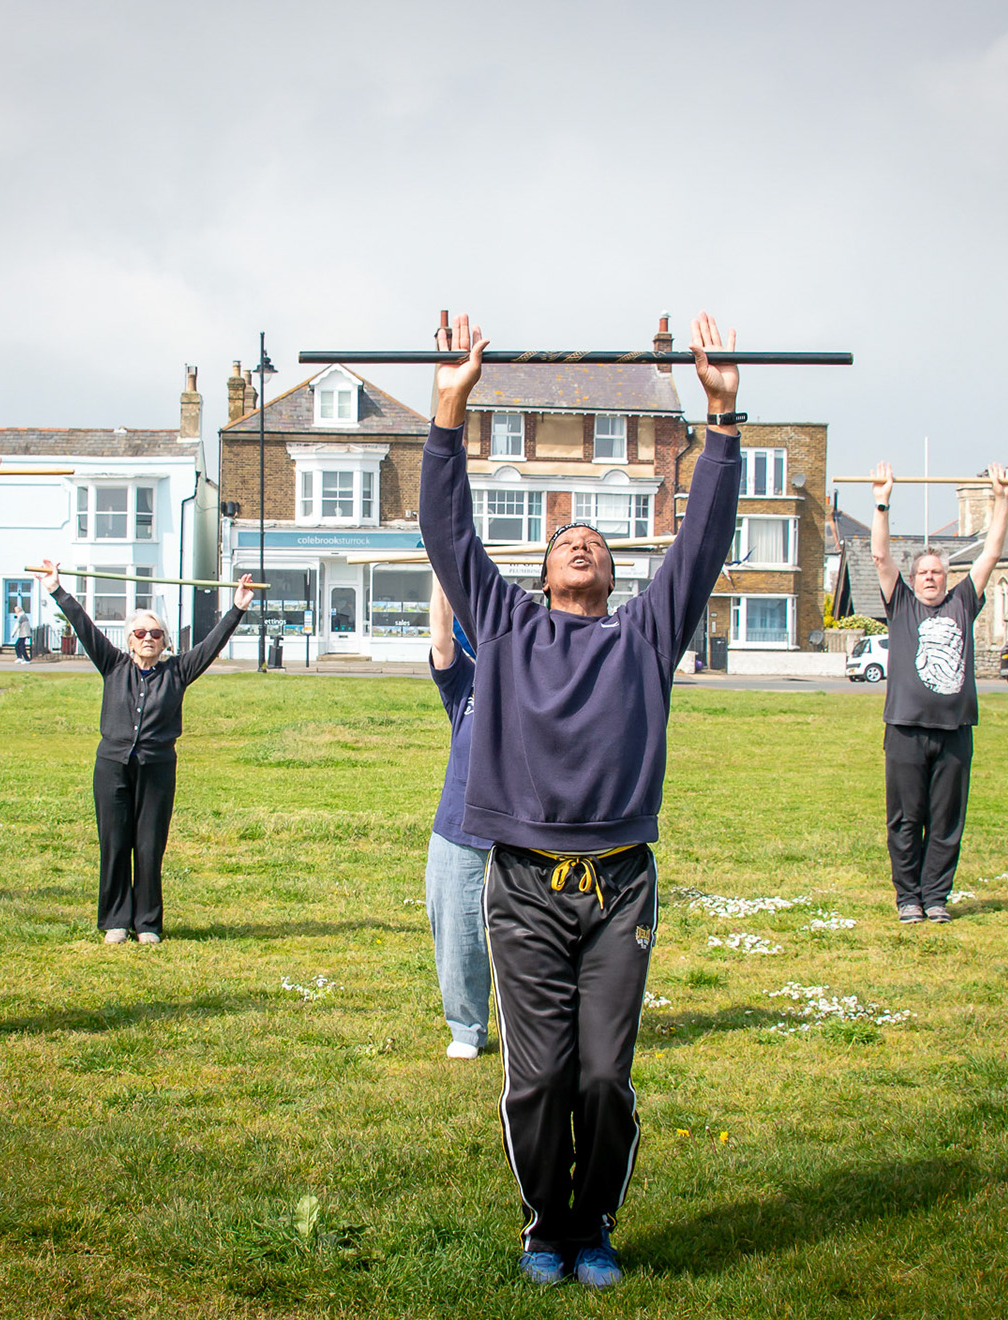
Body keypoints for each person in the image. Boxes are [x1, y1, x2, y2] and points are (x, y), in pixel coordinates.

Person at [421, 312, 743, 1290]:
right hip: (520, 883)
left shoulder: (644, 639)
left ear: (612, 576)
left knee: (603, 1075)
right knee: (539, 1075)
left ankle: (593, 1221)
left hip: (618, 886)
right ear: (542, 570)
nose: (584, 545)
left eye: (598, 541)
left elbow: (701, 544)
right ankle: (541, 1226)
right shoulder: (508, 629)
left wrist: (721, 420)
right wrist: (448, 411)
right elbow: (448, 530)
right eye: (568, 538)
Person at [39, 560, 254, 944]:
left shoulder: (178, 671)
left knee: (150, 845)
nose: (148, 638)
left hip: (157, 768)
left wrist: (237, 608)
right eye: (140, 632)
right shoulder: (113, 665)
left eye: (155, 633)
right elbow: (84, 628)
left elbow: (211, 644)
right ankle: (115, 921)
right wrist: (57, 589)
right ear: (130, 639)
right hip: (112, 767)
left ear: (165, 640)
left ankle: (148, 923)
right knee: (115, 843)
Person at [867, 460, 1008, 923]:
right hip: (906, 731)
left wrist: (1002, 501)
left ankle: (936, 898)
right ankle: (907, 898)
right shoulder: (902, 604)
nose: (931, 577)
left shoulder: (963, 602)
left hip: (954, 731)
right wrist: (882, 501)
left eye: (937, 571)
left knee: (946, 822)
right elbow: (879, 556)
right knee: (907, 819)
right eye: (924, 572)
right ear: (914, 578)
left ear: (947, 576)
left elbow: (990, 553)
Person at [423, 578, 493, 1060]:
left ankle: (537, 1022)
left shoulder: (535, 676)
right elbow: (441, 634)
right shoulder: (464, 679)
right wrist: (442, 570)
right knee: (455, 928)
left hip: (524, 829)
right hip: (459, 823)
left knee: (524, 935)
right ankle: (466, 1027)